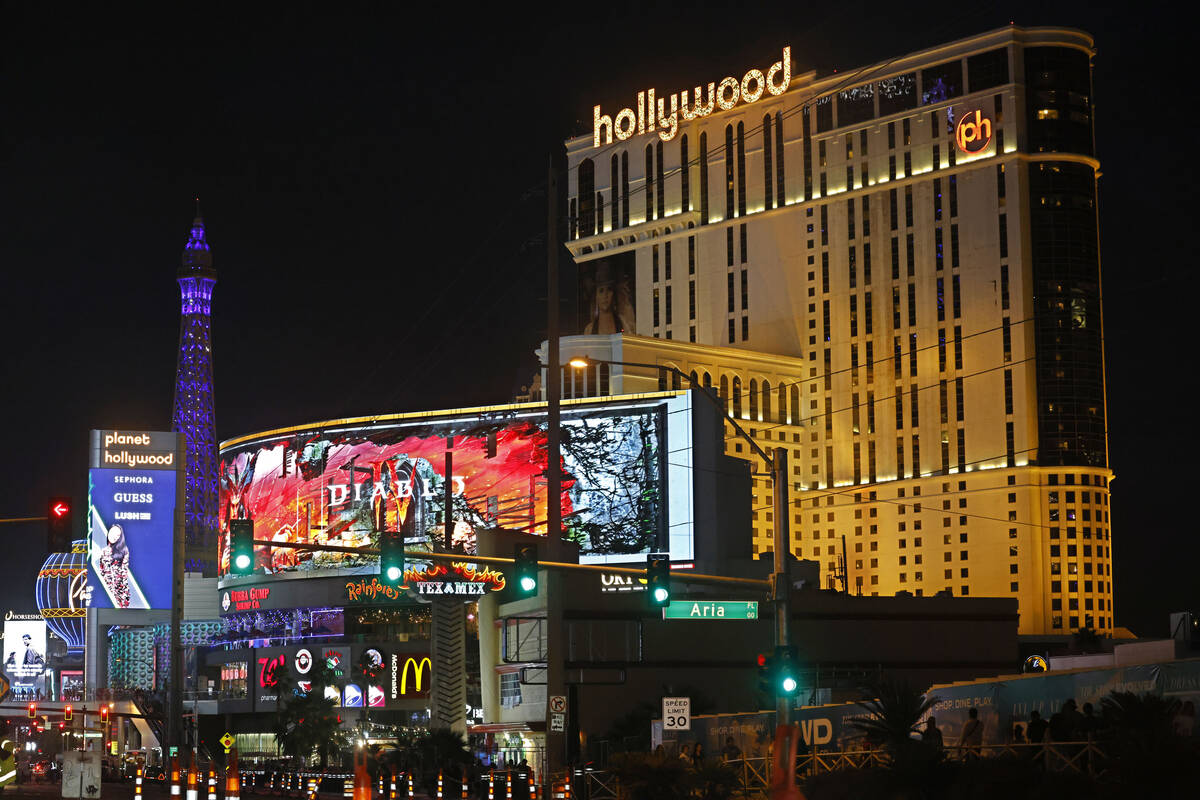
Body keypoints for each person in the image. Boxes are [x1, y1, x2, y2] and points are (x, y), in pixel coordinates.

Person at [582, 262, 635, 335]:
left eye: (609, 289)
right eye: (601, 291)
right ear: (596, 296)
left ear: (614, 294)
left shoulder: (624, 324)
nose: (605, 295)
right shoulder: (589, 330)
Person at [99, 523, 133, 607]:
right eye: (112, 533)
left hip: (119, 591)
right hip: (105, 590)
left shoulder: (124, 550)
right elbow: (101, 571)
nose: (114, 536)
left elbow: (124, 574)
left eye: (118, 535)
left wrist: (122, 595)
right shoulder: (103, 551)